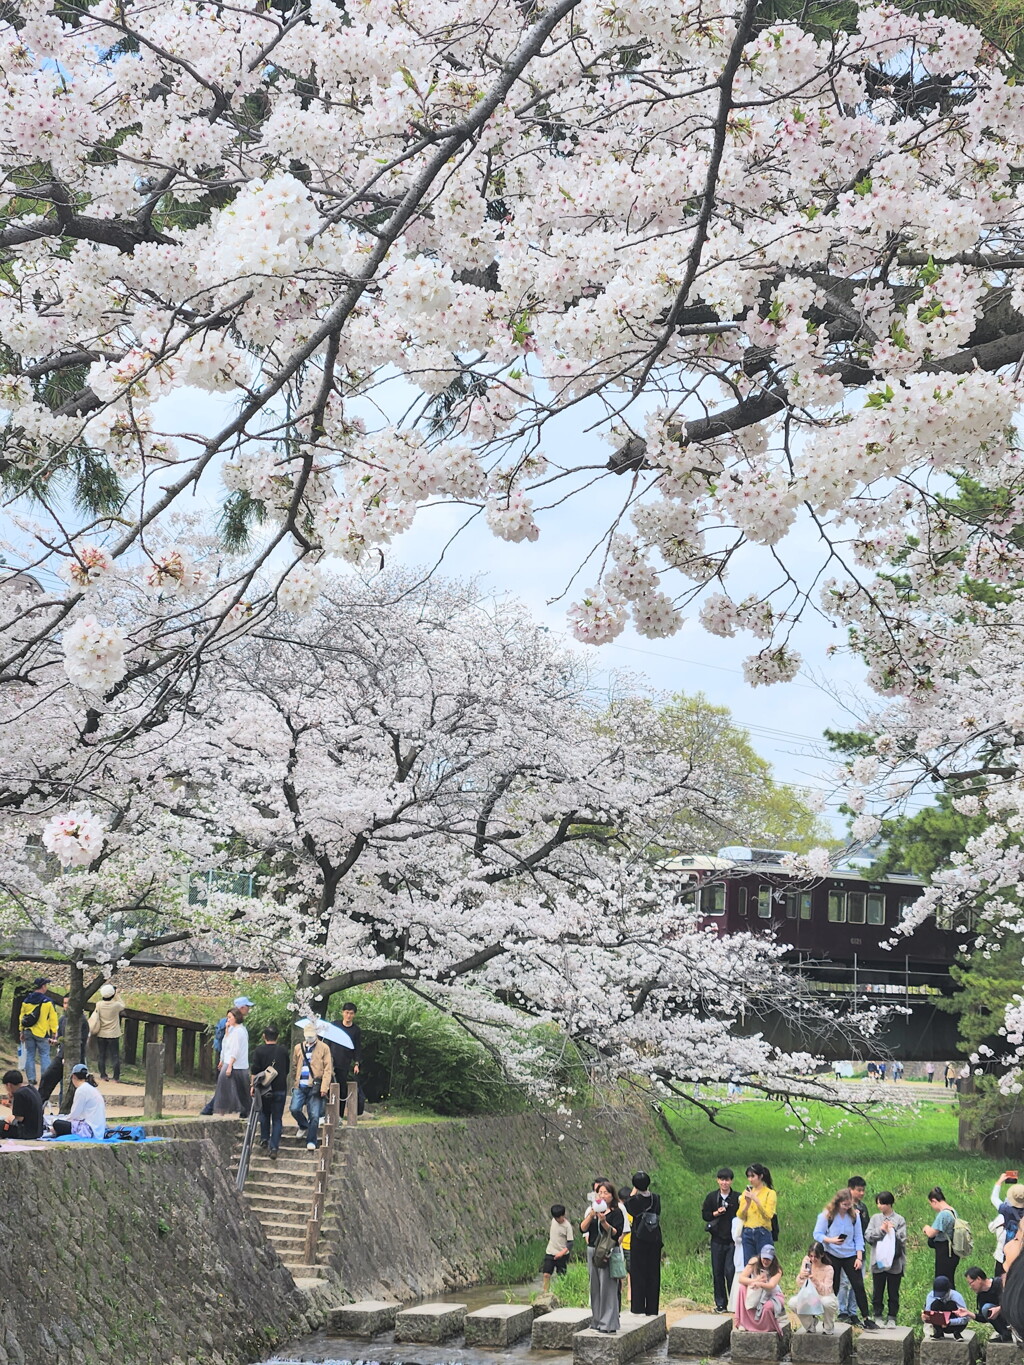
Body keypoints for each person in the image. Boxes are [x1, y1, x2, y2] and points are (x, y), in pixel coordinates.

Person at [813, 1187, 879, 1329]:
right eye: (844, 1205)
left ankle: (866, 1317)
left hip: (850, 1254)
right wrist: (831, 1240)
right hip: (832, 1253)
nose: (846, 1207)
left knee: (858, 1285)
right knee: (834, 1285)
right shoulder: (827, 1215)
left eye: (849, 1205)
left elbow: (858, 1237)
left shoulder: (854, 1216)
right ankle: (828, 1315)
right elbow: (817, 1234)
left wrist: (859, 1257)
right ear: (837, 1203)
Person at [581, 1180, 625, 1334]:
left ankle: (608, 1323)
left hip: (608, 1251)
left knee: (607, 1287)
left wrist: (604, 1222)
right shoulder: (592, 1210)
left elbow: (616, 1233)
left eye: (606, 1193)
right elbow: (583, 1228)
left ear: (612, 1195)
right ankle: (596, 1320)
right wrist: (592, 1215)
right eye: (600, 1192)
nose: (603, 1195)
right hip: (593, 1250)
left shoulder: (617, 1212)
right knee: (595, 1286)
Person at [199, 996, 255, 1115]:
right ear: (241, 1008)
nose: (248, 1010)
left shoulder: (238, 1029)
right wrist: (227, 1062)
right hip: (234, 1064)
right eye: (247, 1007)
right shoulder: (235, 1029)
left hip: (233, 1063)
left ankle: (245, 1112)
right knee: (228, 1088)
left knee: (236, 1089)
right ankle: (210, 1109)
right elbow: (232, 1047)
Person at [38, 994, 89, 1106]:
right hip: (61, 1055)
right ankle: (39, 1104)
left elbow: (81, 1042)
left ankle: (65, 1109)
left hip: (75, 1058)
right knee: (47, 1077)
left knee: (68, 1087)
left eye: (68, 1003)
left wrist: (68, 1057)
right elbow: (61, 1038)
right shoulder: (62, 1019)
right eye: (64, 1003)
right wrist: (56, 1042)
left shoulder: (82, 1021)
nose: (66, 1006)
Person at [866, 1190, 907, 1328]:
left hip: (895, 1263)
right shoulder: (875, 1219)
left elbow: (902, 1240)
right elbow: (868, 1236)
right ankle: (877, 1315)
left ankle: (892, 1317)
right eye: (878, 1203)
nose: (879, 1206)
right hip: (878, 1262)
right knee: (878, 1291)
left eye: (881, 1203)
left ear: (888, 1204)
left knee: (893, 1291)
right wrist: (882, 1230)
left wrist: (893, 1231)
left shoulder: (899, 1219)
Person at [249, 1023, 290, 1159]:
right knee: (277, 1118)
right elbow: (287, 1069)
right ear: (277, 1037)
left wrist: (252, 1086)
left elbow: (255, 1070)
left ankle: (264, 1139)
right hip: (280, 1089)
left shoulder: (259, 1051)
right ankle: (274, 1148)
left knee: (264, 1114)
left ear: (263, 1036)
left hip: (264, 1089)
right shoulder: (283, 1051)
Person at [703, 1167, 741, 1312]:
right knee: (717, 1272)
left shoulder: (737, 1198)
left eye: (727, 1180)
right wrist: (716, 1212)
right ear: (718, 1180)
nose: (724, 1182)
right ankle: (720, 1303)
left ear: (731, 1181)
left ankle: (733, 1302)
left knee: (730, 1271)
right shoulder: (712, 1197)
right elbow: (705, 1215)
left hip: (732, 1241)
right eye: (722, 1179)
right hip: (717, 1239)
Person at [290, 1022, 333, 1150]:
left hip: (315, 1086)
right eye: (307, 1036)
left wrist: (324, 1087)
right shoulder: (298, 1047)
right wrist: (295, 1080)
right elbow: (294, 1065)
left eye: (311, 1035)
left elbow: (328, 1069)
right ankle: (303, 1125)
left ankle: (311, 1140)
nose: (309, 1038)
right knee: (294, 1108)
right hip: (300, 1084)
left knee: (314, 1115)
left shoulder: (324, 1048)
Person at [626, 1170, 662, 1315]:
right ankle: (652, 1309)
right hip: (655, 1239)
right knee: (653, 1274)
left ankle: (638, 1307)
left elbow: (629, 1206)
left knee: (638, 1273)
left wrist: (634, 1191)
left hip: (639, 1239)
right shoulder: (656, 1198)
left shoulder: (633, 1201)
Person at [837, 1176, 869, 1322]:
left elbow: (865, 1230)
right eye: (859, 1190)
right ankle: (841, 1311)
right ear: (850, 1189)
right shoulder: (842, 1207)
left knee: (858, 1283)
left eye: (863, 1190)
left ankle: (853, 1311)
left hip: (859, 1250)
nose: (862, 1193)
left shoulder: (863, 1208)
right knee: (843, 1282)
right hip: (844, 1251)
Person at [734, 1244, 786, 1334]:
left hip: (771, 1295)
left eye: (768, 1259)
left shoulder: (777, 1270)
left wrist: (761, 1284)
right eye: (764, 1258)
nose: (765, 1261)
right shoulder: (754, 1262)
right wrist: (755, 1281)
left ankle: (767, 1327)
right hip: (756, 1291)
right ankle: (742, 1322)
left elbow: (771, 1285)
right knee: (742, 1288)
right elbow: (741, 1278)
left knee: (767, 1307)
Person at [18, 976, 59, 1086]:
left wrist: (21, 1031)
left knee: (30, 1054)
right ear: (43, 987)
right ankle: (45, 1078)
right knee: (44, 1055)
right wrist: (54, 1031)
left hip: (28, 1031)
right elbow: (52, 1018)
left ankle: (31, 1078)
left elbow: (22, 1017)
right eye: (45, 985)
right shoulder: (47, 1002)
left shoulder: (26, 1001)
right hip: (42, 1032)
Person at [792, 1242, 837, 1335]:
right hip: (809, 1295)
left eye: (816, 1256)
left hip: (823, 1296)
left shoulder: (829, 1269)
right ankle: (810, 1324)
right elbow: (800, 1284)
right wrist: (801, 1276)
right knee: (793, 1303)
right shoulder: (807, 1262)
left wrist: (815, 1280)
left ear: (822, 1255)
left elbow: (827, 1290)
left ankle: (828, 1325)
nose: (813, 1259)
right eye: (811, 1256)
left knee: (827, 1303)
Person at [51, 1063, 107, 1138]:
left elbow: (75, 1114)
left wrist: (61, 1120)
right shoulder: (91, 1088)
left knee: (57, 1123)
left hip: (89, 1130)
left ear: (73, 1076)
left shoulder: (81, 1090)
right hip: (97, 1129)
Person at [212, 1007, 248, 1115]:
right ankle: (225, 1109)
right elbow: (226, 1044)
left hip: (235, 1064)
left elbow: (235, 1049)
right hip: (228, 1061)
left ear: (236, 1018)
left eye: (229, 1017)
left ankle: (227, 1109)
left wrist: (230, 1065)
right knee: (228, 1086)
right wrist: (222, 1059)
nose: (227, 1020)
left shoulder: (239, 1031)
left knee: (235, 1088)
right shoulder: (232, 1030)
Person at [738, 1164, 777, 1264]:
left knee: (764, 1264)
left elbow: (768, 1215)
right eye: (748, 1176)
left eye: (753, 1176)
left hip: (762, 1232)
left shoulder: (770, 1193)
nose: (750, 1179)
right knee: (749, 1264)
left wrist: (756, 1200)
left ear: (760, 1176)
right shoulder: (746, 1192)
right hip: (747, 1231)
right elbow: (740, 1215)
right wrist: (747, 1203)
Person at [88, 982, 126, 1082]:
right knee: (115, 1055)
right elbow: (123, 1005)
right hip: (113, 1034)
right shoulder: (116, 1005)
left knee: (102, 1054)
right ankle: (116, 1077)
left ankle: (103, 1075)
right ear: (112, 994)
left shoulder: (99, 1004)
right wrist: (117, 995)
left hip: (101, 1033)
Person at [327, 1000, 362, 1104]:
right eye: (347, 1012)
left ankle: (340, 1115)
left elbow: (358, 1048)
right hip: (331, 1060)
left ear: (354, 1015)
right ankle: (327, 1113)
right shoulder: (334, 1025)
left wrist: (357, 1063)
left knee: (342, 1088)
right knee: (328, 1086)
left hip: (345, 1062)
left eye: (351, 1013)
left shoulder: (356, 1030)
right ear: (342, 1013)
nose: (348, 1015)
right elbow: (327, 1041)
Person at [964, 1266, 1012, 1341]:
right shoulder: (981, 1295)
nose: (970, 1287)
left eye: (971, 1283)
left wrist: (1000, 1308)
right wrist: (968, 1313)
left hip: (1014, 1313)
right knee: (986, 1308)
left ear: (978, 1279)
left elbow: (1013, 1301)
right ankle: (1005, 1334)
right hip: (1004, 1319)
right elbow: (984, 1317)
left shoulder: (1000, 1283)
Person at [924, 1186, 960, 1285]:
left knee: (942, 1279)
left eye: (931, 1204)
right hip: (952, 1249)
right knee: (949, 1279)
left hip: (945, 1251)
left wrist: (926, 1228)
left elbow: (931, 1233)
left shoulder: (943, 1214)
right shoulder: (953, 1211)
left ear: (934, 1201)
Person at [0, 1069, 44, 1139]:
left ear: (9, 1085)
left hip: (26, 1133)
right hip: (38, 1131)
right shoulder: (32, 1089)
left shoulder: (19, 1094)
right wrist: (12, 1103)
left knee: (2, 1124)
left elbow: (19, 1118)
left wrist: (10, 1119)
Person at [922, 1275, 969, 1339]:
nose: (940, 1297)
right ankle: (939, 1332)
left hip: (954, 1323)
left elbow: (965, 1319)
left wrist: (950, 1322)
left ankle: (956, 1333)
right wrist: (926, 1317)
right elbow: (928, 1312)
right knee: (936, 1303)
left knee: (951, 1304)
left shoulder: (957, 1296)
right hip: (938, 1323)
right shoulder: (931, 1296)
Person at [990, 1171, 1018, 1276]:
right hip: (1019, 1254)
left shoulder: (1006, 1211)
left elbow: (994, 1198)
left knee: (1000, 1281)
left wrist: (1000, 1181)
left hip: (1005, 1253)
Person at [542, 1204, 574, 1292]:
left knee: (561, 1276)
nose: (557, 1220)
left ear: (563, 1215)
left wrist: (561, 1253)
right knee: (546, 1274)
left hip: (562, 1254)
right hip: (550, 1252)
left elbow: (570, 1243)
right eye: (555, 1218)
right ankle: (545, 1293)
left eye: (559, 1218)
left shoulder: (567, 1226)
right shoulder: (553, 1220)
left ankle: (562, 1292)